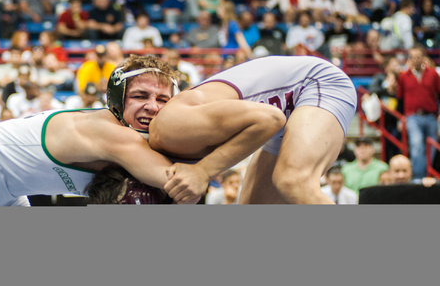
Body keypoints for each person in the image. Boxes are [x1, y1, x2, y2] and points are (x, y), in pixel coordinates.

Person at [0, 54, 198, 206]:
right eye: (141, 96)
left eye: (162, 100)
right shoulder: (110, 132)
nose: (152, 107)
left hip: (13, 193)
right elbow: (180, 182)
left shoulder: (146, 144)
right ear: (117, 101)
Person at [145, 55, 358, 204]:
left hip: (316, 84)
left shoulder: (166, 128)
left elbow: (270, 119)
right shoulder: (162, 141)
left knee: (294, 181)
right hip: (283, 106)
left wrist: (203, 172)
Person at [396, 46, 440, 180]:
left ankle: (430, 174)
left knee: (432, 146)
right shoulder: (404, 76)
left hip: (431, 115)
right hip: (413, 116)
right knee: (416, 144)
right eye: (412, 57)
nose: (415, 60)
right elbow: (400, 99)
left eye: (418, 57)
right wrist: (400, 118)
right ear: (409, 59)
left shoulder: (433, 74)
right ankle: (418, 178)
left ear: (423, 58)